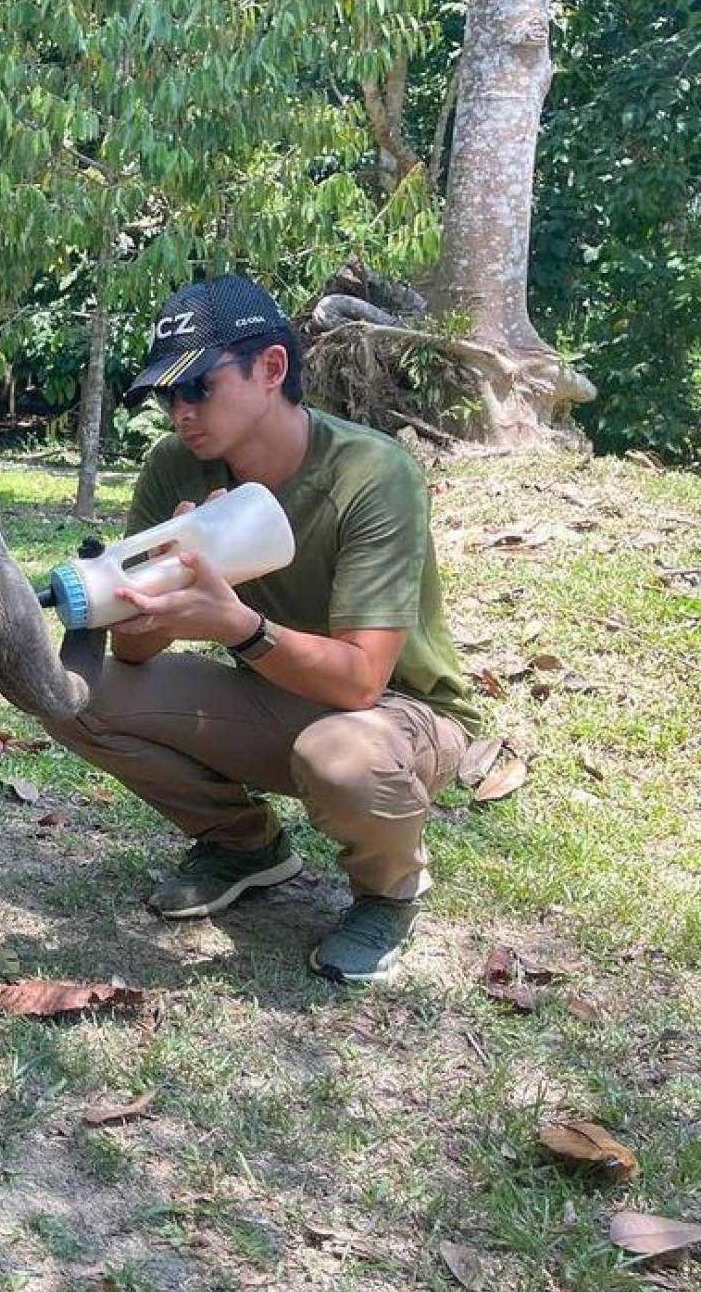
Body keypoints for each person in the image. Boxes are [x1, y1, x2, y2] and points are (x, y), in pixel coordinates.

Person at [39, 273, 482, 983]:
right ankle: (245, 846)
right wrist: (166, 577)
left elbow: (363, 678)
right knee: (68, 689)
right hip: (273, 693)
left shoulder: (371, 473)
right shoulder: (176, 465)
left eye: (198, 387)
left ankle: (388, 894)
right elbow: (134, 649)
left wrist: (239, 625)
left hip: (395, 712)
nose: (180, 412)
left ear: (271, 368)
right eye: (167, 394)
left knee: (340, 754)